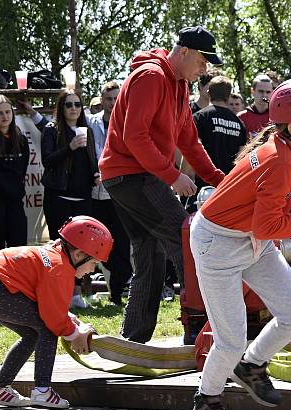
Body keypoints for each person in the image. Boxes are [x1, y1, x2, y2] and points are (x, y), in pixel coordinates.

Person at [189, 78, 291, 410]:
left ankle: (251, 365)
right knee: (230, 339)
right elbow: (267, 228)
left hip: (247, 238)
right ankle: (205, 401)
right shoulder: (279, 159)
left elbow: (271, 207)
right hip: (219, 244)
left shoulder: (286, 150)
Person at [99, 26, 226, 343]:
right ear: (184, 52)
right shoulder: (152, 76)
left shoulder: (180, 86)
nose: (204, 70)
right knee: (187, 241)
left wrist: (222, 182)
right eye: (202, 62)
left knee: (149, 255)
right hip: (132, 175)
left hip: (130, 177)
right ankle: (199, 331)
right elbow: (134, 136)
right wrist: (173, 175)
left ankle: (133, 341)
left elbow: (191, 144)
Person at [0, 216, 111, 408]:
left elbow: (49, 304)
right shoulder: (59, 268)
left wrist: (70, 322)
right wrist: (76, 335)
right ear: (79, 254)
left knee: (32, 333)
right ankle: (42, 392)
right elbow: (53, 318)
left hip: (0, 286)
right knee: (48, 329)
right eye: (94, 263)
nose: (91, 270)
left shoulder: (56, 255)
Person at [89, 81, 132, 305]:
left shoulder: (128, 121)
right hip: (96, 193)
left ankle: (118, 292)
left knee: (122, 244)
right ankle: (93, 288)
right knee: (97, 244)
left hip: (121, 193)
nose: (113, 103)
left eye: (116, 98)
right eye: (108, 99)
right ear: (101, 99)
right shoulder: (90, 122)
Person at [41, 89, 98, 241]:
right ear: (61, 107)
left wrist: (96, 174)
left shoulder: (87, 131)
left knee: (81, 245)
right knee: (60, 245)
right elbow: (47, 161)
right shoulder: (51, 129)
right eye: (69, 105)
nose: (74, 108)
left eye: (77, 104)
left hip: (83, 199)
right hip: (59, 198)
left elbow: (91, 160)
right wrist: (69, 148)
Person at [192, 75, 247, 186]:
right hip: (227, 185)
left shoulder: (200, 117)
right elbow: (241, 158)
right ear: (228, 96)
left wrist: (185, 175)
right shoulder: (240, 124)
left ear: (208, 92)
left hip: (202, 184)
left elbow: (192, 148)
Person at [0, 96, 29, 251]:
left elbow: (23, 168)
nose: (5, 116)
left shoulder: (20, 138)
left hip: (15, 201)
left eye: (8, 112)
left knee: (18, 248)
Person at [237, 74, 274, 138]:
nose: (264, 95)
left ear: (272, 93)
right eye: (260, 91)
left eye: (268, 92)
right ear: (252, 91)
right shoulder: (241, 117)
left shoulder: (276, 116)